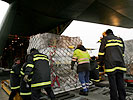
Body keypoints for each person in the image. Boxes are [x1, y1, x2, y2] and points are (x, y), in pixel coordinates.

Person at [98, 29, 126, 100]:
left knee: (113, 84)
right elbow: (122, 52)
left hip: (110, 65)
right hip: (120, 64)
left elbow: (101, 53)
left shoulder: (105, 39)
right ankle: (122, 98)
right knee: (120, 82)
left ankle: (114, 98)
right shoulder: (120, 39)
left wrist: (100, 64)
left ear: (106, 34)